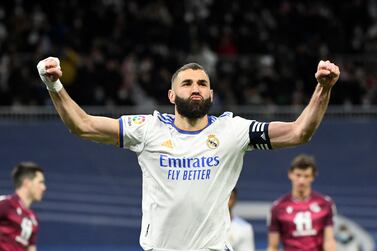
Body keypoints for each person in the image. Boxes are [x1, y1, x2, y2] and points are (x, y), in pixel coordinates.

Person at [36, 57, 340, 251]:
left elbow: (299, 132)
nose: (196, 88)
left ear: (210, 95)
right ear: (172, 95)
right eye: (187, 83)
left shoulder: (233, 131)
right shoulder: (148, 129)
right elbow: (83, 125)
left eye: (202, 84)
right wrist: (54, 84)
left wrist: (322, 89)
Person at [267, 154, 337, 251]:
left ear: (313, 177)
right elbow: (273, 247)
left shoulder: (325, 204)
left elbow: (329, 241)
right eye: (298, 175)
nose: (301, 180)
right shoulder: (278, 207)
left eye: (306, 176)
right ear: (290, 174)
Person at [0, 162, 47, 251]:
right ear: (27, 183)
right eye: (40, 182)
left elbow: (31, 248)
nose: (44, 187)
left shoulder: (33, 218)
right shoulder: (5, 204)